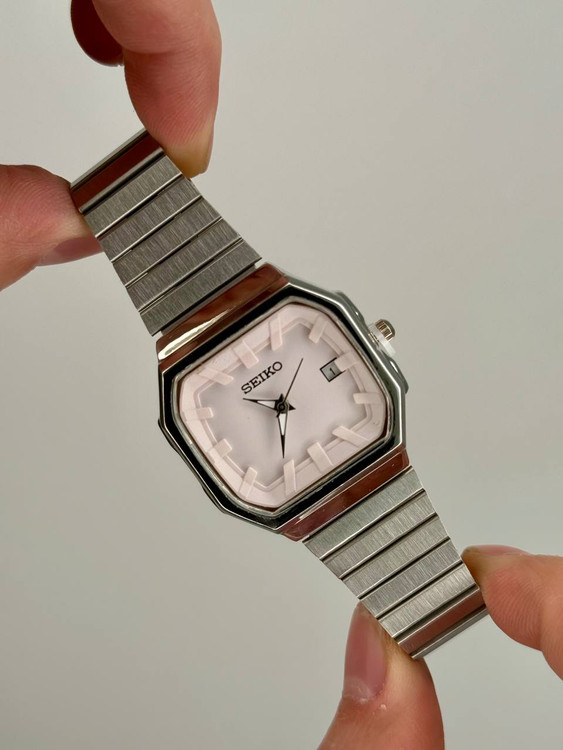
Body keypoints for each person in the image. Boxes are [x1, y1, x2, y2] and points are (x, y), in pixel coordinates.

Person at [1, 1, 561, 747]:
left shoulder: (296, 362)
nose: (279, 408)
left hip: (350, 467)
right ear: (372, 347)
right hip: (279, 445)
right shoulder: (256, 354)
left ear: (371, 347)